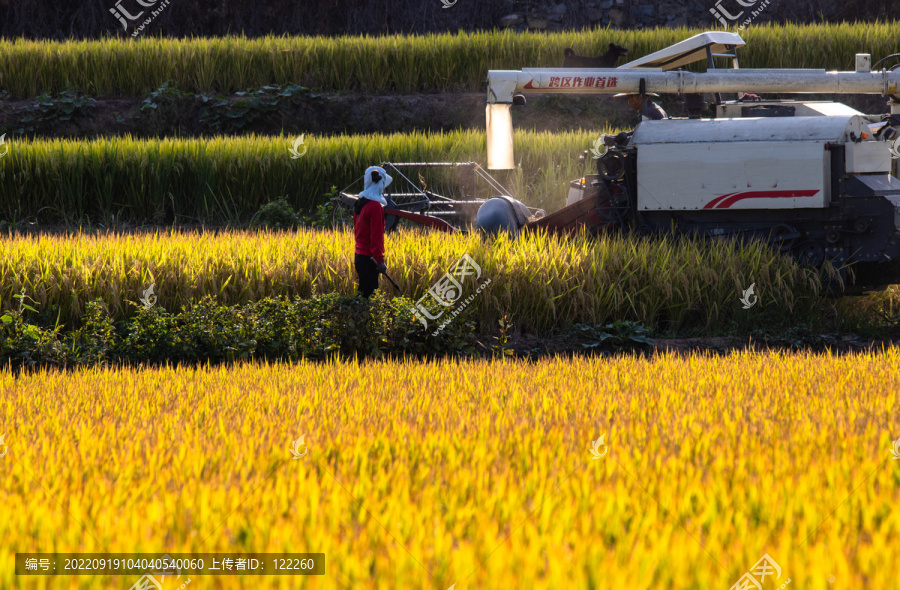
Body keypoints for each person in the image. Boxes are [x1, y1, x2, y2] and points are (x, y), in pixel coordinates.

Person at [353, 165, 392, 298]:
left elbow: (358, 233)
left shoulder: (359, 204)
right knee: (369, 298)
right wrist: (380, 260)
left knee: (363, 294)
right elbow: (377, 237)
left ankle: (355, 316)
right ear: (380, 184)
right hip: (370, 259)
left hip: (359, 256)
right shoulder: (375, 207)